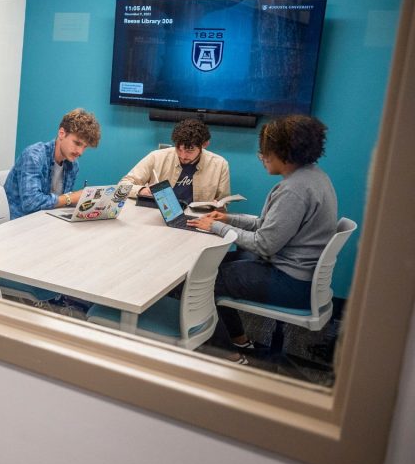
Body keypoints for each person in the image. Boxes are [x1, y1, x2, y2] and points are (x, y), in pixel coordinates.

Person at [187, 115, 337, 364]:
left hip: (289, 282)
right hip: (299, 275)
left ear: (282, 152)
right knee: (214, 268)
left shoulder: (294, 190)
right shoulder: (314, 177)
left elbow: (264, 243)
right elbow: (268, 226)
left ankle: (227, 355)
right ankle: (239, 339)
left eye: (264, 152)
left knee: (199, 280)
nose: (262, 157)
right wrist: (228, 219)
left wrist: (215, 227)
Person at [3, 108, 101, 220]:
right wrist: (71, 198)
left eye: (84, 147)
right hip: (19, 223)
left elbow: (60, 203)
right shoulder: (33, 156)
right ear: (62, 133)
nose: (80, 152)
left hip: (46, 222)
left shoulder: (73, 166)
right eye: (77, 143)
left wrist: (85, 201)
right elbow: (30, 203)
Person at [120, 118, 230, 206]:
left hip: (196, 219)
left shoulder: (220, 165)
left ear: (204, 145)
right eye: (178, 148)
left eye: (189, 150)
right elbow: (123, 185)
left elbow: (223, 202)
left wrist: (218, 206)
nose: (182, 155)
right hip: (158, 213)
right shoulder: (157, 157)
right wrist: (142, 190)